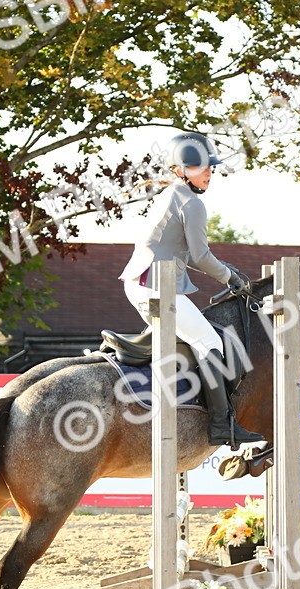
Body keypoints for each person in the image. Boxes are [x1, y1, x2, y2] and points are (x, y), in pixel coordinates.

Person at [118, 132, 262, 447]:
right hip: (156, 286)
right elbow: (200, 255)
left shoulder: (171, 195)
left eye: (211, 167)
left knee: (190, 339)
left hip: (142, 283)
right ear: (182, 170)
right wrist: (229, 277)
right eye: (202, 167)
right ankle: (221, 424)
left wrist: (225, 269)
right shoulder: (193, 203)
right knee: (209, 341)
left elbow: (185, 254)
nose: (210, 172)